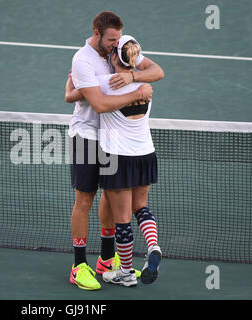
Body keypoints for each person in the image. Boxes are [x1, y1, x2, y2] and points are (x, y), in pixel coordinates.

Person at [65, 11, 164, 290]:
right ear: (97, 34)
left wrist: (133, 75)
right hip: (87, 135)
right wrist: (138, 91)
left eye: (118, 39)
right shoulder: (83, 59)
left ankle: (107, 260)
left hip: (113, 140)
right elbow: (97, 104)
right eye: (111, 39)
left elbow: (156, 70)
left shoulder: (120, 51)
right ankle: (79, 266)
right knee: (85, 200)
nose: (115, 44)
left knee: (110, 196)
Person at [96, 35, 162, 287]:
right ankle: (153, 246)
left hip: (117, 158)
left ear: (115, 57)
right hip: (146, 154)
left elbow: (77, 92)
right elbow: (155, 70)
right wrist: (135, 73)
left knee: (122, 218)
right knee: (141, 207)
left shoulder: (105, 84)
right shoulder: (147, 87)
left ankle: (125, 273)